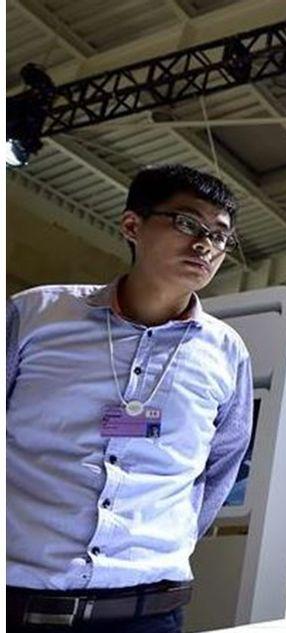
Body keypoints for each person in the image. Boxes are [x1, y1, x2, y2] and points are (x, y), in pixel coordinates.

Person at [6, 164, 254, 632]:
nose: (205, 245)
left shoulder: (227, 354)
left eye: (220, 236)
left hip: (147, 611)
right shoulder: (37, 316)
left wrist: (164, 542)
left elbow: (222, 465)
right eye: (187, 223)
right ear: (132, 225)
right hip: (19, 601)